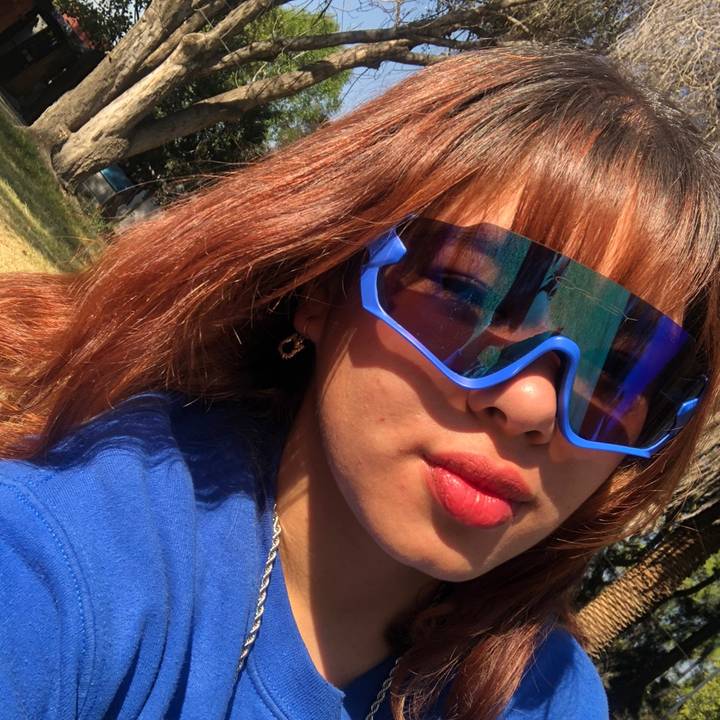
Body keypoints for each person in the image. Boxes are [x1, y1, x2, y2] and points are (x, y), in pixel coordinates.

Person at [0, 43, 718, 720]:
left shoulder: (549, 698)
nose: (531, 403)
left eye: (615, 373)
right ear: (326, 282)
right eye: (470, 296)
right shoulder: (59, 566)